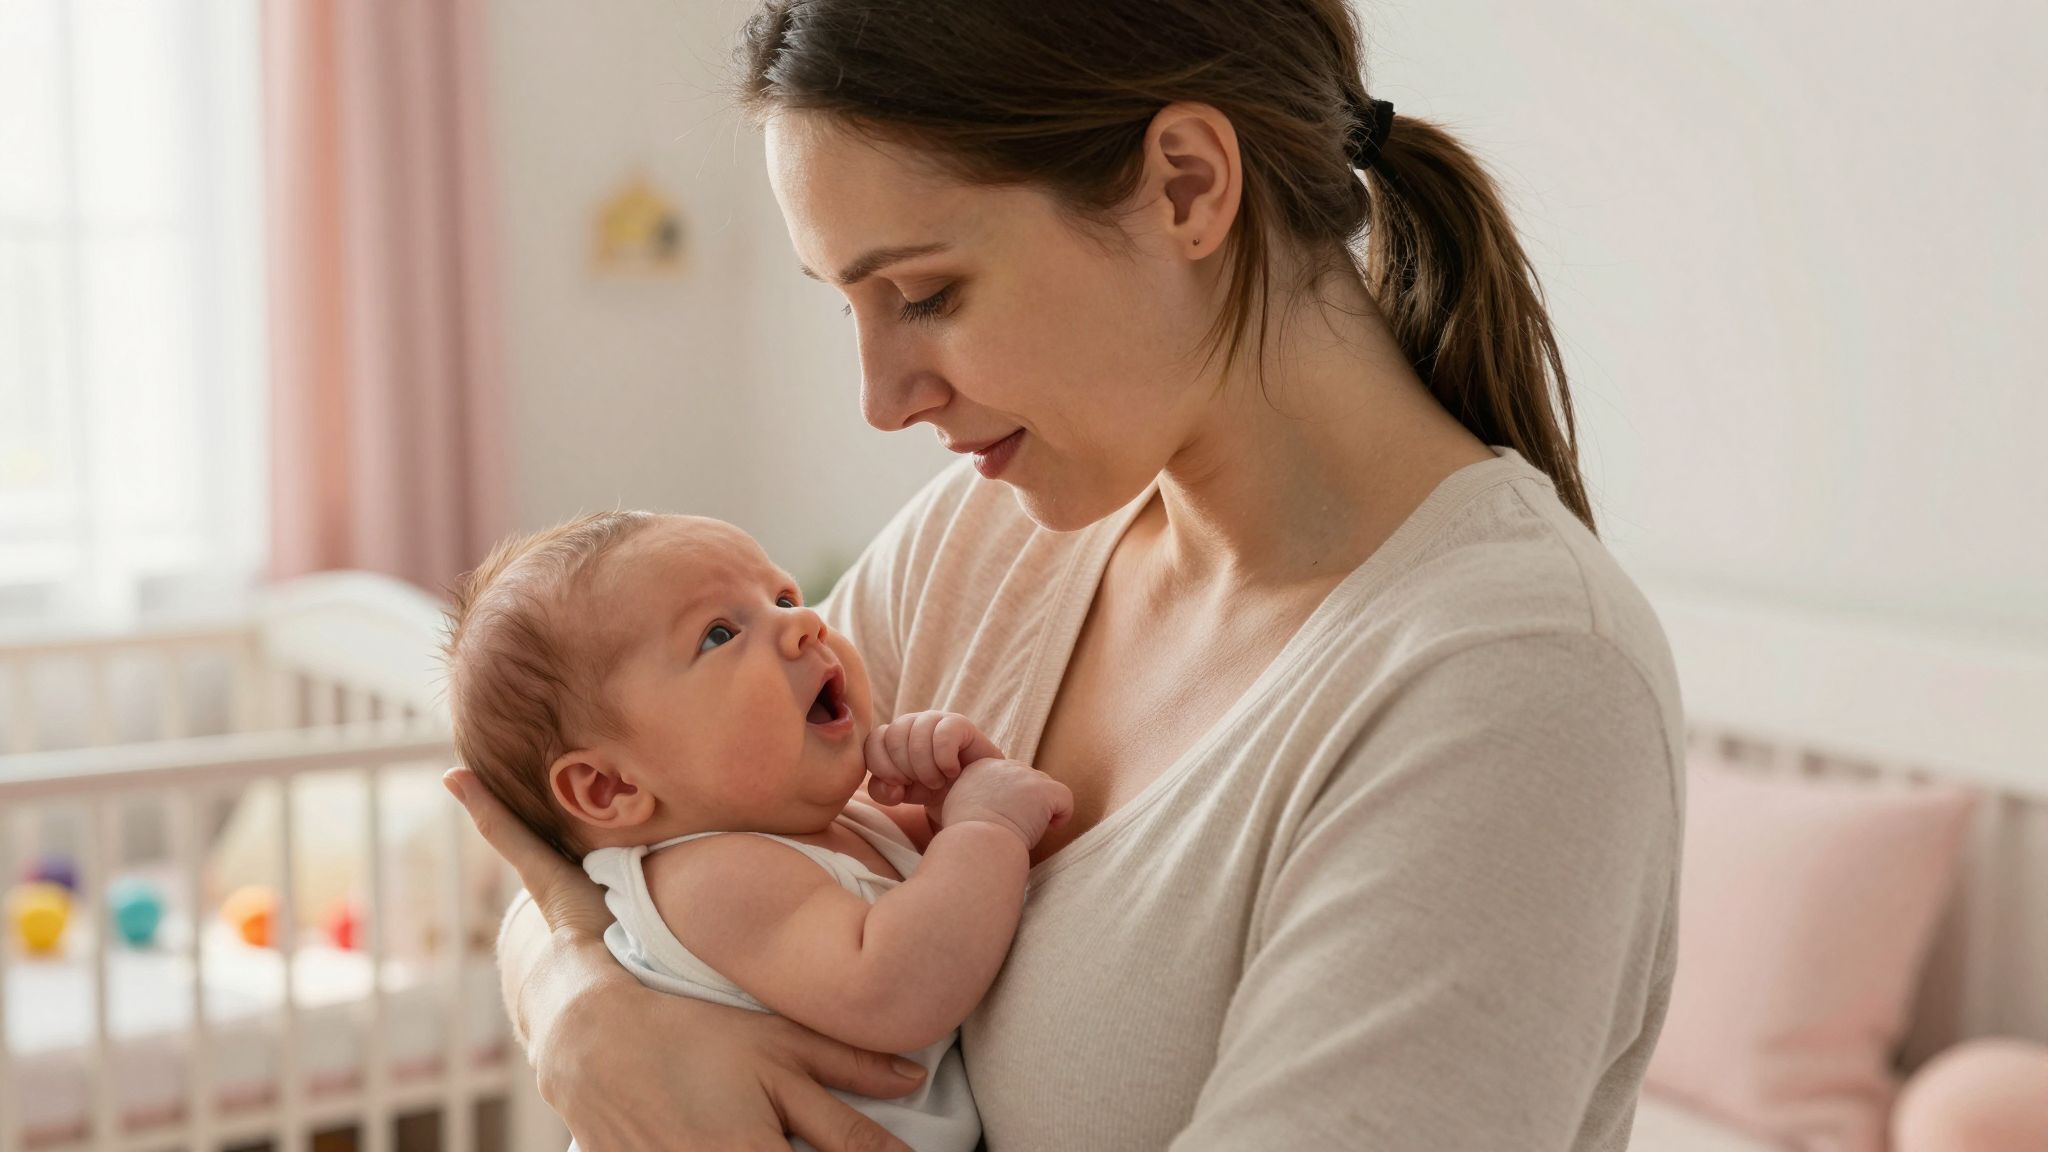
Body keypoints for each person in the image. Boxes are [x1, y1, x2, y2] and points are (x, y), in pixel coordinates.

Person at [443, 1, 1686, 1148]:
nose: (880, 401)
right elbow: (641, 833)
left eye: (924, 294)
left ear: (1186, 188)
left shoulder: (1514, 681)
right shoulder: (984, 538)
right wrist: (581, 1004)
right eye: (849, 310)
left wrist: (606, 1008)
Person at [441, 511, 1074, 1151]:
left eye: (783, 597)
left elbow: (964, 882)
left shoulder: (826, 821)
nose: (805, 623)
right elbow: (899, 985)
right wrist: (984, 827)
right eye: (719, 634)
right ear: (613, 788)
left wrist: (951, 798)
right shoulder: (709, 878)